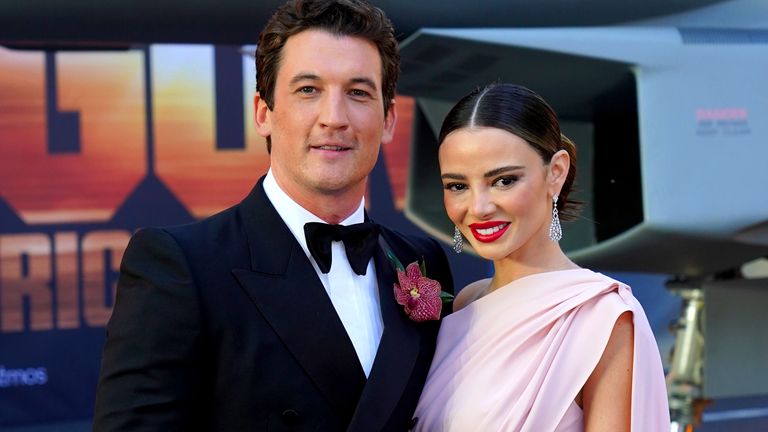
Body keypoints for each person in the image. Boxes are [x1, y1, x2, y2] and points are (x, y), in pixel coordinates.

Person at [92, 1, 453, 430]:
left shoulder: (422, 260)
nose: (334, 118)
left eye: (358, 93)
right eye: (308, 90)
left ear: (389, 118)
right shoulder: (180, 264)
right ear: (264, 113)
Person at [412, 83, 669, 431]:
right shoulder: (464, 304)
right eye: (458, 186)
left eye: (504, 180)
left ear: (556, 173)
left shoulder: (603, 316)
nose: (479, 207)